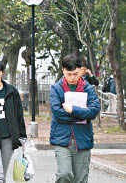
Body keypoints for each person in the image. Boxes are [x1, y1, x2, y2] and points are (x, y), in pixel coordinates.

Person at [50, 54, 100, 183]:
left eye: (76, 74)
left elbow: (94, 111)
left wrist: (73, 110)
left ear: (81, 71)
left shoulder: (88, 89)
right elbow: (57, 113)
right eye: (69, 74)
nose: (72, 77)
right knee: (64, 174)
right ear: (63, 71)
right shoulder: (56, 88)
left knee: (81, 179)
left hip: (82, 138)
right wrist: (83, 115)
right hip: (61, 138)